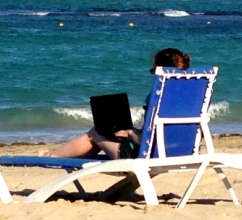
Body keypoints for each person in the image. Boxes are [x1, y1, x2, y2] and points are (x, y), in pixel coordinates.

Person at [38, 48, 191, 159]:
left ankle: (51, 156)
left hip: (145, 156)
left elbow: (149, 142)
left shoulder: (157, 96)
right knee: (110, 132)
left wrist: (131, 133)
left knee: (96, 133)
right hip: (181, 152)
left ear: (159, 71)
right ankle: (57, 155)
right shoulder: (192, 97)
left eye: (153, 71)